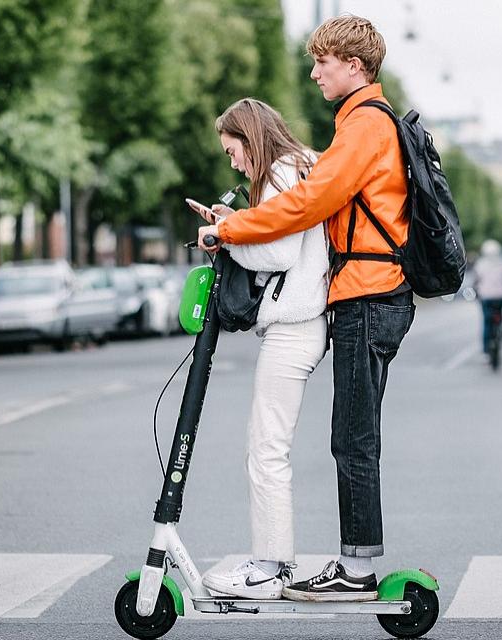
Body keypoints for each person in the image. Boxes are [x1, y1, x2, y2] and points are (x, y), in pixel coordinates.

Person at [197, 14, 410, 603]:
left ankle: (357, 571)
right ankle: (351, 565)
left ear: (356, 65)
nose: (314, 72)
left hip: (370, 293)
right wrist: (234, 225)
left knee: (354, 439)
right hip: (360, 296)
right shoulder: (353, 127)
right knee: (349, 435)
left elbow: (308, 205)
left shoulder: (366, 125)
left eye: (324, 61)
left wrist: (233, 229)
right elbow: (313, 195)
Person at [188, 99, 328, 600]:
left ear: (251, 138)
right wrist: (238, 222)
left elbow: (278, 251)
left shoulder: (280, 172)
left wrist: (224, 235)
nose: (232, 162)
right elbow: (275, 233)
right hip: (303, 322)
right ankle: (274, 562)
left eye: (232, 150)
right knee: (269, 447)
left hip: (294, 324)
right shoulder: (300, 166)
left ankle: (270, 568)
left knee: (266, 450)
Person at [472, 239, 502, 352]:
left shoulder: (480, 264)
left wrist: (476, 294)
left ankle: (486, 350)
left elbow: (476, 281)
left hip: (486, 297)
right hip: (501, 296)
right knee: (499, 313)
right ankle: (501, 330)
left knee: (487, 322)